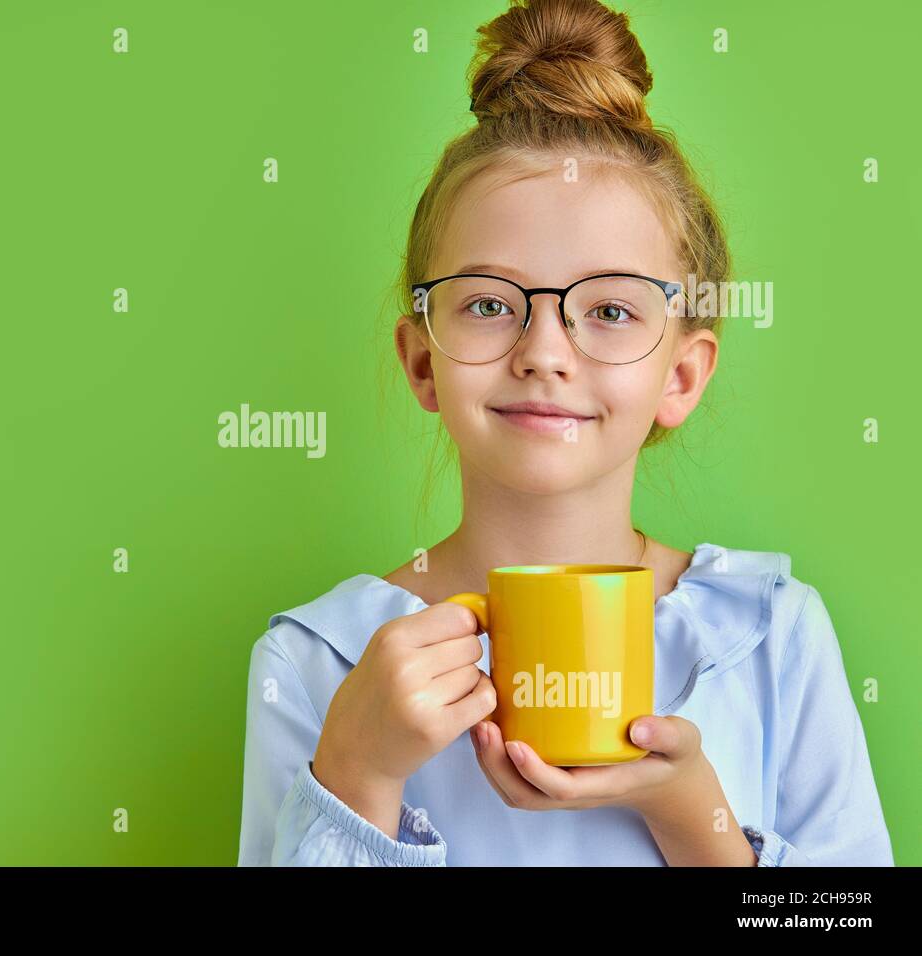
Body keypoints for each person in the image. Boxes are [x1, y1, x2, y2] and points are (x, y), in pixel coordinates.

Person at [237, 0, 894, 866]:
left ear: (683, 376)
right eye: (487, 304)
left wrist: (693, 813)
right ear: (423, 361)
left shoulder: (772, 639)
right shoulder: (322, 663)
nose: (544, 351)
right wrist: (358, 774)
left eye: (612, 308)